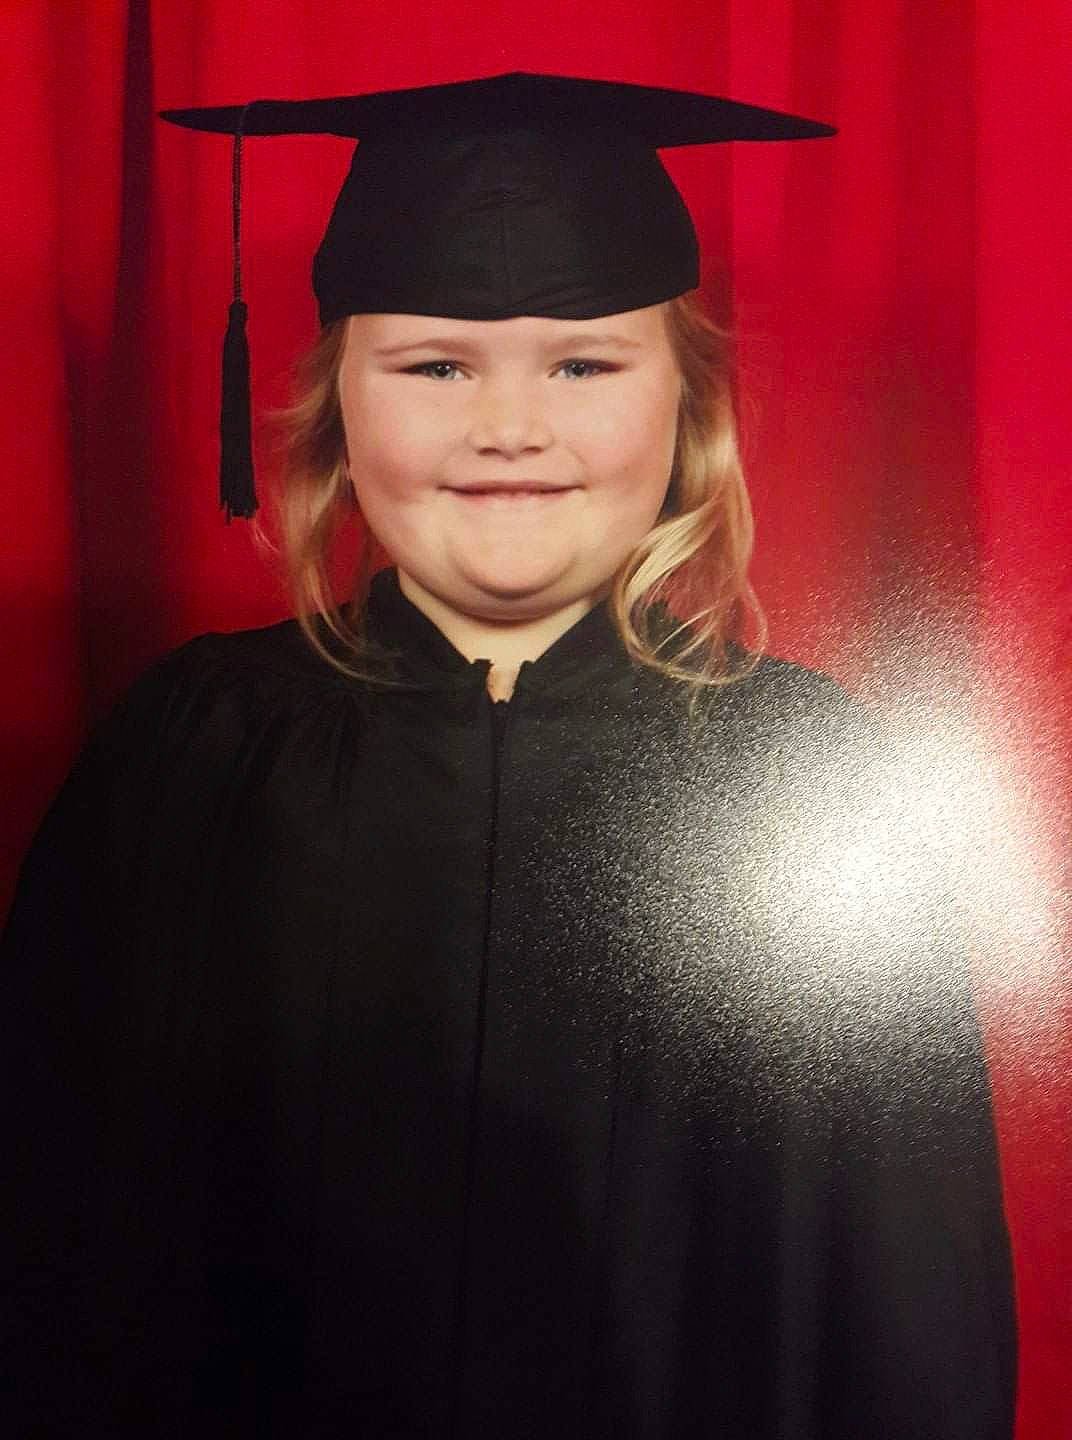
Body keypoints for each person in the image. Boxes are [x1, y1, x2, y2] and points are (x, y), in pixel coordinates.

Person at [2, 74, 1016, 1437]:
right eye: (435, 366)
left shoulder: (816, 786)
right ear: (335, 405)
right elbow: (50, 1258)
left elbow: (912, 1321)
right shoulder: (191, 760)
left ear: (688, 407)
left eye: (584, 365)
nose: (509, 430)